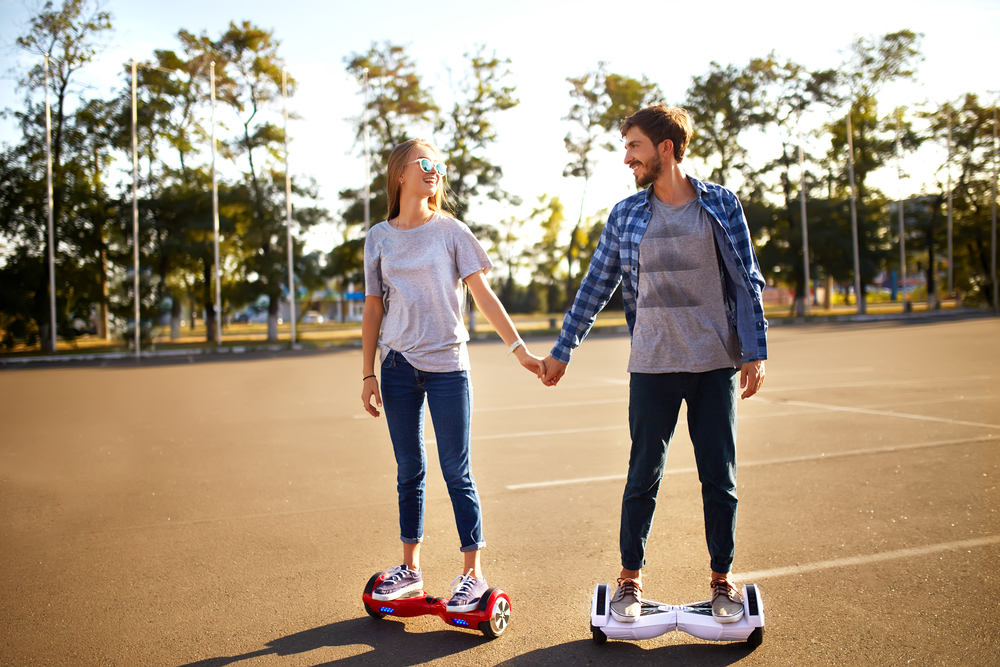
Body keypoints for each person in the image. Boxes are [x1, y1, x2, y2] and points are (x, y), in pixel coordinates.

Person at [541, 104, 767, 624]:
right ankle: (629, 582)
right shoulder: (626, 214)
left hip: (714, 365)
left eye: (634, 146)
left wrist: (754, 350)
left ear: (666, 148)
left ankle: (721, 580)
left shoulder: (720, 205)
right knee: (643, 474)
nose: (627, 158)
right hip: (651, 364)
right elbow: (597, 284)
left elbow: (745, 279)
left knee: (720, 477)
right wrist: (562, 349)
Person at [361, 138, 546, 613]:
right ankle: (410, 569)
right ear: (400, 173)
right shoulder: (379, 236)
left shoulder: (452, 231)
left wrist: (519, 350)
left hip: (447, 369)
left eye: (438, 165)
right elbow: (374, 306)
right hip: (398, 367)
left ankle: (472, 575)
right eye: (425, 162)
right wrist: (368, 374)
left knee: (456, 471)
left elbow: (483, 295)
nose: (434, 170)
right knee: (409, 470)